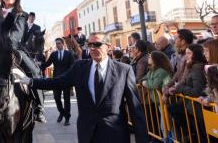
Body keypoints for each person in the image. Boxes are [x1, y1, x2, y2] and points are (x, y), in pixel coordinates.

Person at [13, 32, 148, 143]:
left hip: (115, 135)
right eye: (90, 45)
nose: (92, 48)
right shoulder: (80, 68)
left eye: (97, 44)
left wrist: (142, 140)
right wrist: (30, 81)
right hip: (87, 134)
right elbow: (57, 82)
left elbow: (135, 110)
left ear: (108, 46)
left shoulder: (124, 70)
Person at [40, 38, 74, 125]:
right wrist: (39, 66)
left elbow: (72, 67)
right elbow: (47, 64)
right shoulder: (54, 54)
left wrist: (71, 79)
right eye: (56, 44)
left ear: (63, 44)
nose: (57, 45)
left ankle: (67, 118)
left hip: (66, 80)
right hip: (56, 80)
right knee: (56, 98)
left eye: (59, 43)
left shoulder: (69, 54)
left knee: (67, 100)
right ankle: (62, 112)